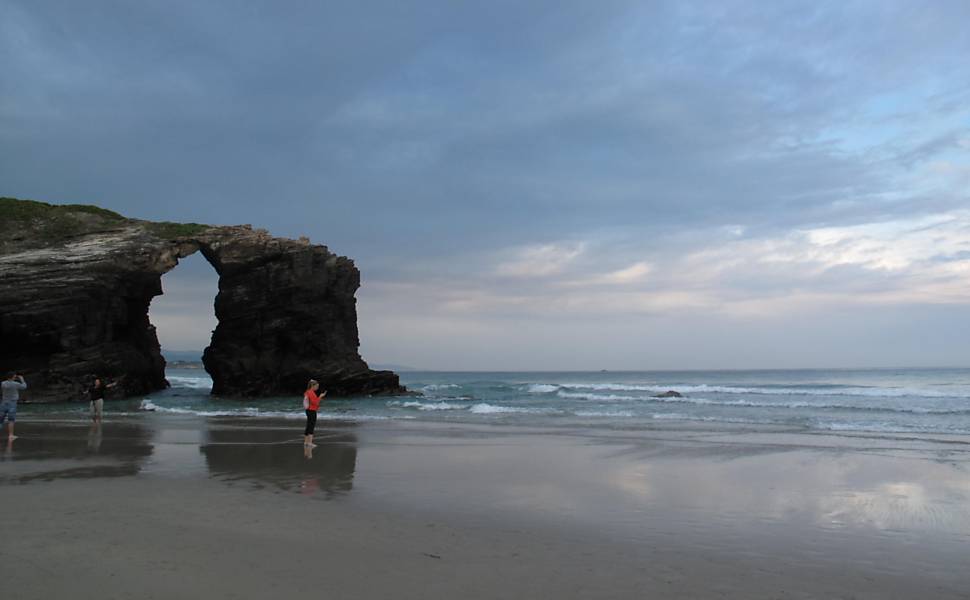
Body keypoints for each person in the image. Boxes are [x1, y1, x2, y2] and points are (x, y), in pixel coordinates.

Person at [1, 372, 27, 442]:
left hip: (4, 403)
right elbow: (24, 387)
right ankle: (11, 435)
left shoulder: (3, 383)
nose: (15, 378)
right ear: (12, 377)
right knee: (11, 420)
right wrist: (22, 379)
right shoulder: (16, 384)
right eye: (15, 377)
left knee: (0, 420)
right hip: (12, 403)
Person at [303, 379, 326, 448]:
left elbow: (312, 401)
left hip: (308, 410)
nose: (317, 388)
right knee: (311, 426)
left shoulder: (307, 392)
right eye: (316, 386)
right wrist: (320, 396)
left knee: (308, 425)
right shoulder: (311, 392)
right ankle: (310, 443)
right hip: (312, 410)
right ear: (312, 386)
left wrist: (318, 398)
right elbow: (315, 402)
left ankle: (306, 442)